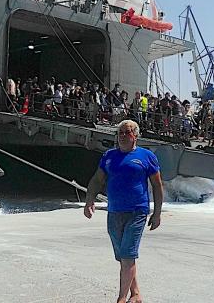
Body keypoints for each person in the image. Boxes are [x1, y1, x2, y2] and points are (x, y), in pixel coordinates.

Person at [84, 120, 163, 303]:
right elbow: (97, 180)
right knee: (124, 257)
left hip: (137, 212)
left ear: (135, 136)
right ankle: (136, 294)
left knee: (127, 255)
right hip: (114, 212)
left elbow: (157, 185)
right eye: (120, 133)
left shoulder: (147, 156)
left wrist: (157, 213)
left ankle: (121, 298)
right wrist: (89, 200)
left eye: (127, 132)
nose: (122, 136)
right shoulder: (109, 156)